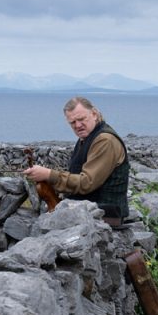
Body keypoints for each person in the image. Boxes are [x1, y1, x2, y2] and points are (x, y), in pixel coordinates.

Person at [23, 96, 130, 225]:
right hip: (88, 214)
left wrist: (48, 175)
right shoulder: (86, 138)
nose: (78, 125)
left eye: (81, 119)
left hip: (105, 218)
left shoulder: (105, 141)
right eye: (72, 122)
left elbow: (87, 183)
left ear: (94, 114)